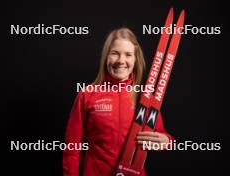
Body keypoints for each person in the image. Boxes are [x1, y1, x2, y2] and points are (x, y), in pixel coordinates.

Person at [63, 27, 174, 176]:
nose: (121, 61)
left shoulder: (145, 98)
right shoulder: (87, 94)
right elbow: (72, 147)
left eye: (128, 55)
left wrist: (166, 142)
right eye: (115, 53)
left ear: (135, 60)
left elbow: (166, 137)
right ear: (106, 57)